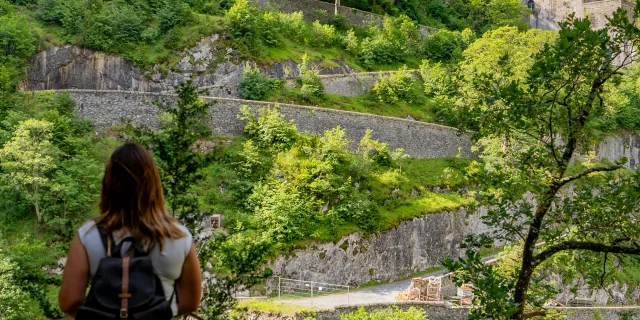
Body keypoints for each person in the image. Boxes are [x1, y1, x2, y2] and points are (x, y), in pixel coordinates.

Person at [58, 142, 202, 317]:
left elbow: (69, 302)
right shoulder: (179, 236)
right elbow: (190, 302)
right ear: (154, 183)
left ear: (109, 183)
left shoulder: (88, 235)